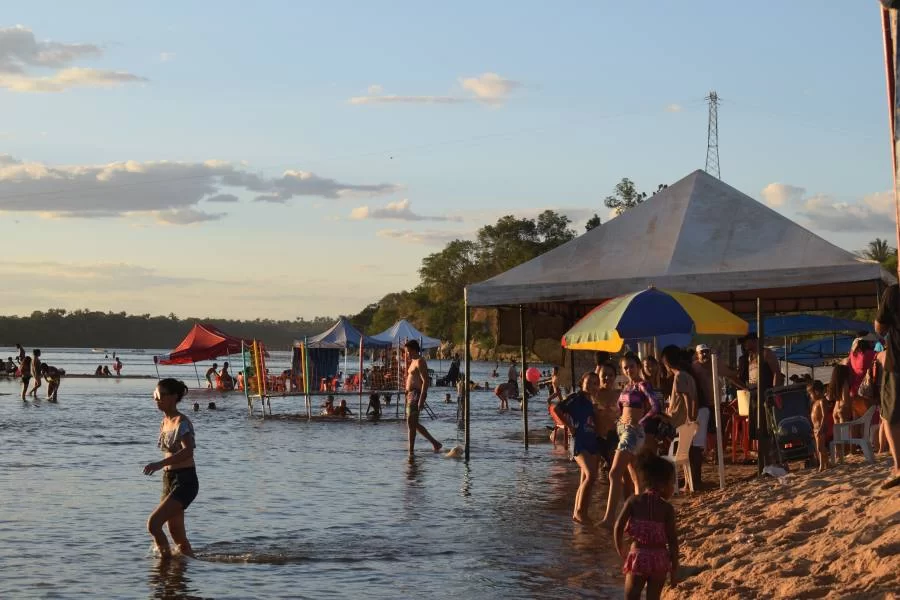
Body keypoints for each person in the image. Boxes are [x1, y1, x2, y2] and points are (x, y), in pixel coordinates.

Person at [600, 353, 661, 529]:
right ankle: (638, 518)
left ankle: (609, 518)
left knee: (614, 473)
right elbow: (621, 408)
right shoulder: (626, 386)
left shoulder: (642, 385)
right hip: (623, 430)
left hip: (633, 432)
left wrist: (639, 422)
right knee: (634, 477)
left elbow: (655, 406)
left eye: (631, 366)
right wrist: (619, 419)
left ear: (638, 367)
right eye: (625, 367)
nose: (628, 370)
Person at [142, 378, 198, 559]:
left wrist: (159, 464)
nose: (157, 399)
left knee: (153, 524)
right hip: (169, 480)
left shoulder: (181, 421)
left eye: (160, 396)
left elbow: (188, 451)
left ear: (174, 397)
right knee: (175, 531)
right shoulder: (165, 422)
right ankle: (187, 564)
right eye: (155, 396)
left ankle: (165, 563)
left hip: (185, 481)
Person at [613, 453, 679, 600]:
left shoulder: (633, 501)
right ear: (662, 486)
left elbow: (618, 526)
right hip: (660, 559)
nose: (673, 488)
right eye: (672, 483)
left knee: (632, 595)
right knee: (653, 597)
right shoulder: (667, 509)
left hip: (638, 557)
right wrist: (674, 571)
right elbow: (673, 541)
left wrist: (621, 549)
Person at [553, 372, 602, 524]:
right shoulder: (576, 398)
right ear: (582, 382)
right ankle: (580, 512)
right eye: (589, 382)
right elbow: (556, 409)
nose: (592, 385)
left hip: (592, 441)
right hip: (579, 441)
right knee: (591, 475)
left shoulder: (593, 401)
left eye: (595, 383)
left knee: (585, 478)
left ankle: (579, 513)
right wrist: (569, 426)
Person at [875, 283, 900, 489]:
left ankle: (899, 467)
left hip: (898, 364)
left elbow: (880, 327)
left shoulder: (894, 292)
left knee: (889, 416)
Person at [404, 339, 442, 454]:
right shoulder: (412, 361)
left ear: (414, 350)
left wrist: (421, 399)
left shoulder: (420, 361)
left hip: (416, 394)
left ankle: (411, 452)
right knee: (412, 423)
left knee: (411, 422)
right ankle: (435, 443)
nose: (407, 354)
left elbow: (426, 381)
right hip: (410, 395)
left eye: (408, 351)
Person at [808, 380, 831, 472]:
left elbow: (824, 415)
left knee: (820, 447)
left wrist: (822, 427)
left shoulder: (822, 401)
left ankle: (822, 465)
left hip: (821, 427)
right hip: (816, 428)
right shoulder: (815, 403)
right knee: (819, 448)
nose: (810, 396)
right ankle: (826, 463)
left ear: (816, 392)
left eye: (811, 394)